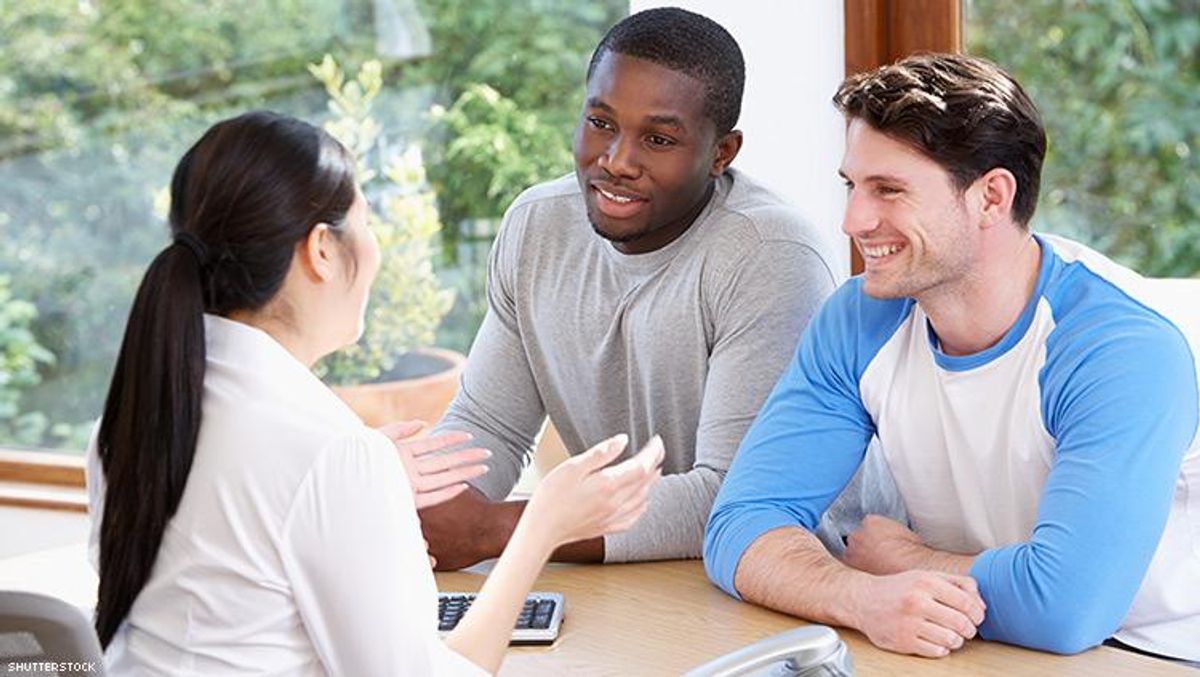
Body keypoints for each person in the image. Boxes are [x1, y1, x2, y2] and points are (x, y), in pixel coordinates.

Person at [84, 110, 664, 675]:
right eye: (366, 223)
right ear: (321, 249)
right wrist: (541, 528)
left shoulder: (137, 416)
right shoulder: (329, 451)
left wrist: (367, 485)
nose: (374, 249)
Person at [704, 52, 1200, 664]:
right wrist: (861, 597)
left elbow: (1067, 607)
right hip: (972, 642)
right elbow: (741, 525)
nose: (853, 220)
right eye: (853, 186)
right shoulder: (861, 319)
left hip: (1149, 656)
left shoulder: (1118, 350)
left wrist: (906, 561)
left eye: (889, 190)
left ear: (991, 197)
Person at [419, 6, 873, 570]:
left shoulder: (769, 255)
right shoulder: (537, 225)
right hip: (628, 567)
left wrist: (496, 529)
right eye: (601, 123)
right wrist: (433, 505)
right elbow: (489, 424)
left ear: (722, 153)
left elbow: (735, 498)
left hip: (788, 576)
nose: (616, 161)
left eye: (658, 139)